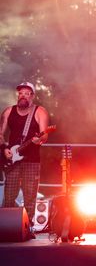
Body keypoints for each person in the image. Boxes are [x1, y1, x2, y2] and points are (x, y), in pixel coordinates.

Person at [1, 82, 49, 229]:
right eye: (21, 93)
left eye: (27, 94)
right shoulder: (9, 111)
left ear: (32, 96)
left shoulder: (40, 111)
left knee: (30, 195)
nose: (23, 96)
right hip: (12, 159)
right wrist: (4, 148)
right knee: (9, 194)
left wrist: (39, 139)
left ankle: (28, 227)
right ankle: (6, 226)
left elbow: (44, 135)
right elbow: (0, 134)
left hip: (32, 160)